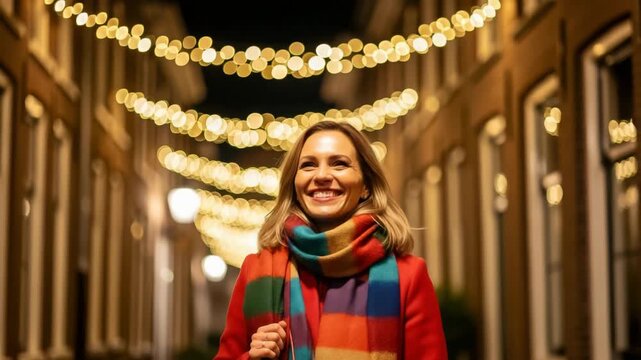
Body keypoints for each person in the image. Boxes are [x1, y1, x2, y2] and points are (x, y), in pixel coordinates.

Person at [214, 121, 447, 360]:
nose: (322, 175)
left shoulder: (408, 275)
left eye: (339, 164)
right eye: (308, 165)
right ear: (294, 184)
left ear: (366, 185)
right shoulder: (257, 270)